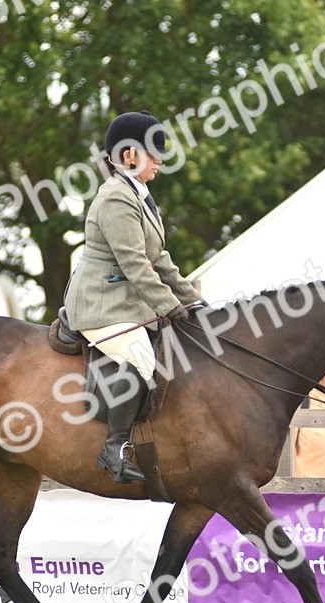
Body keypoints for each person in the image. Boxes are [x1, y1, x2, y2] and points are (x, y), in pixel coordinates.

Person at [63, 110, 204, 483]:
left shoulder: (140, 195)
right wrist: (171, 307)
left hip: (128, 304)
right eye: (153, 153)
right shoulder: (115, 198)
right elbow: (135, 264)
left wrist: (194, 300)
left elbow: (160, 259)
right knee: (144, 361)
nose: (159, 160)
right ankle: (114, 449)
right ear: (129, 156)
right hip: (101, 305)